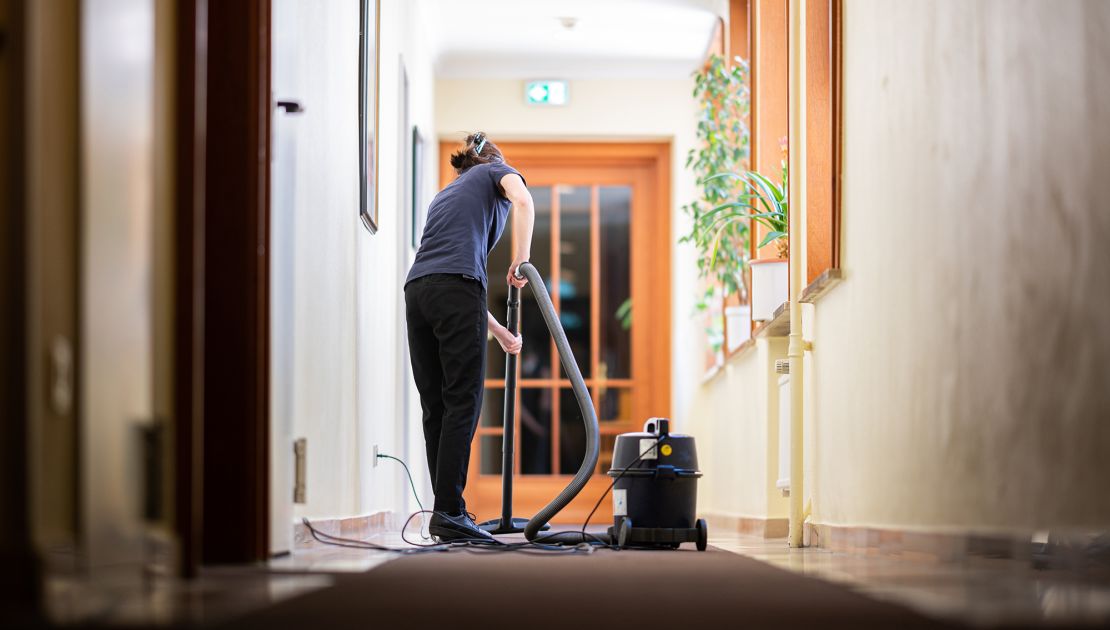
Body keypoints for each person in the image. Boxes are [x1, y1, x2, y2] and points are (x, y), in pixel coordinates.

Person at [404, 132, 534, 541]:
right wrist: (522, 260)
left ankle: (447, 511)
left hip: (417, 291)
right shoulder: (496, 170)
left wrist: (497, 332)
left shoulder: (443, 197)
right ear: (492, 161)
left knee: (437, 407)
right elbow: (525, 201)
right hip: (455, 289)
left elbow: (446, 275)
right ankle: (449, 511)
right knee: (464, 400)